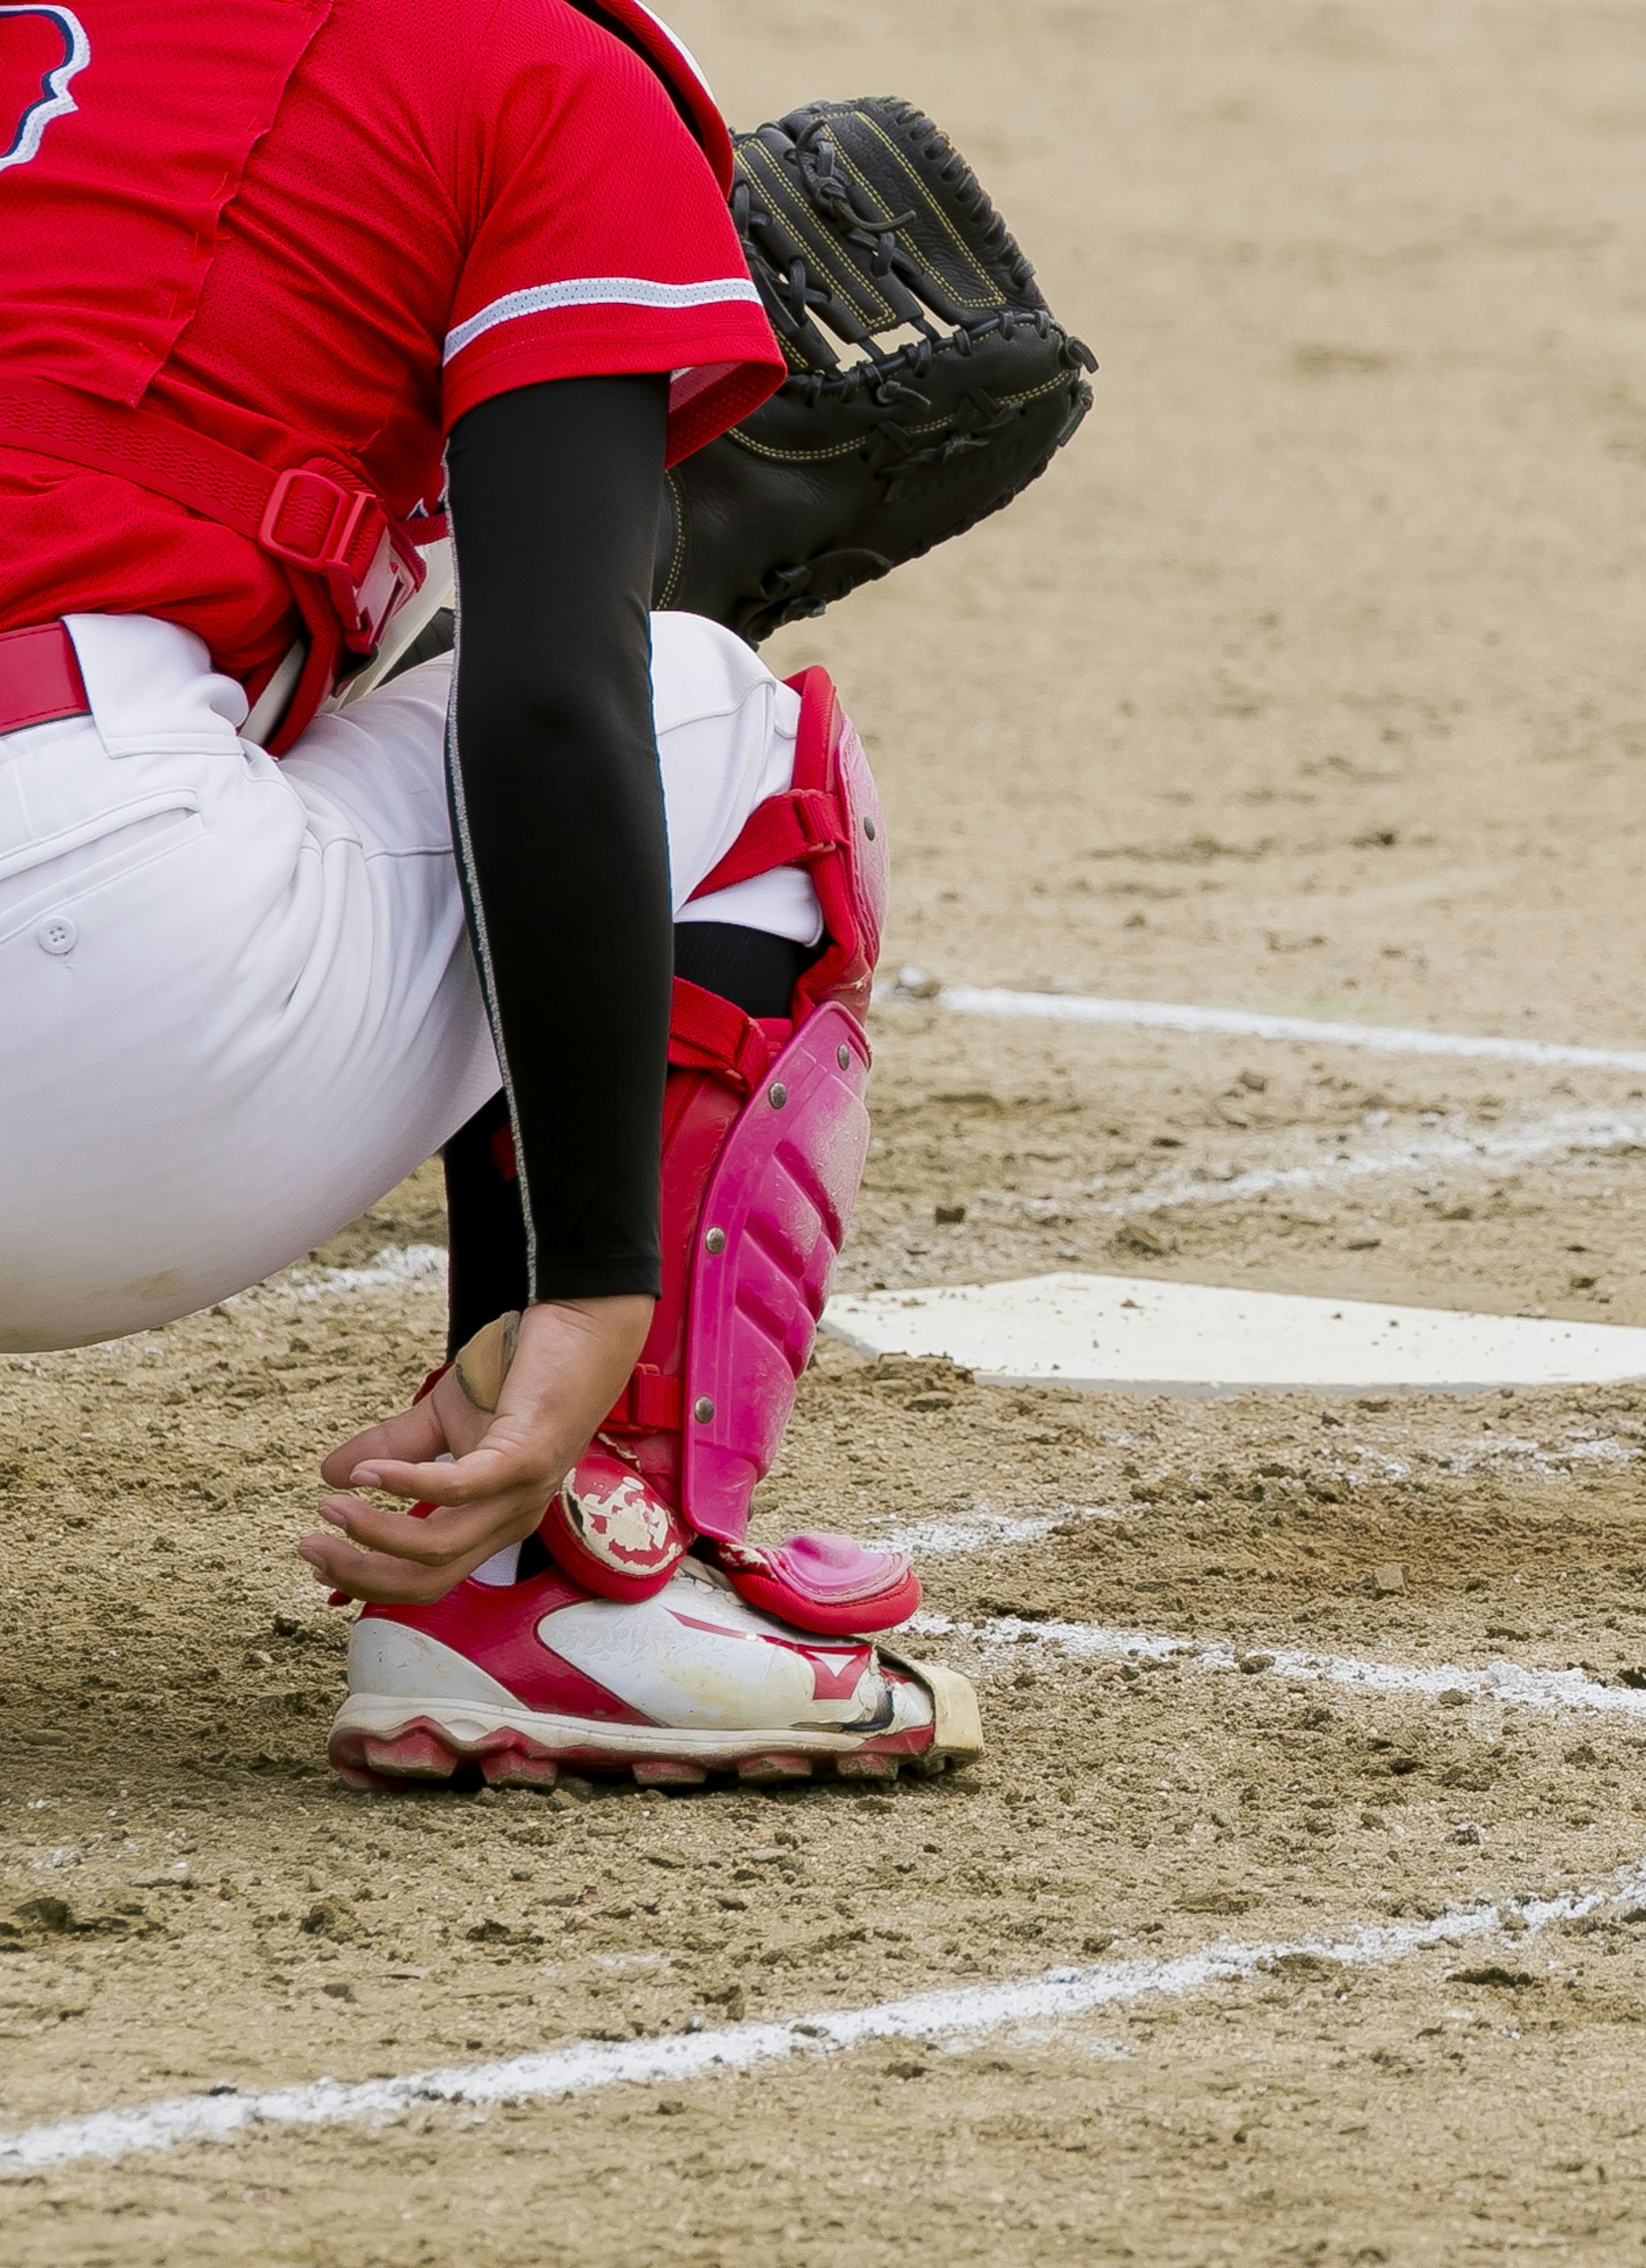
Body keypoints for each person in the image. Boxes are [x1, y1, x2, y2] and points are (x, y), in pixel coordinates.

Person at [0, 0, 978, 1787]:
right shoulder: (531, 59)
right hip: (75, 1007)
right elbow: (546, 710)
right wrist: (587, 1282)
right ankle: (574, 1582)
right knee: (714, 725)